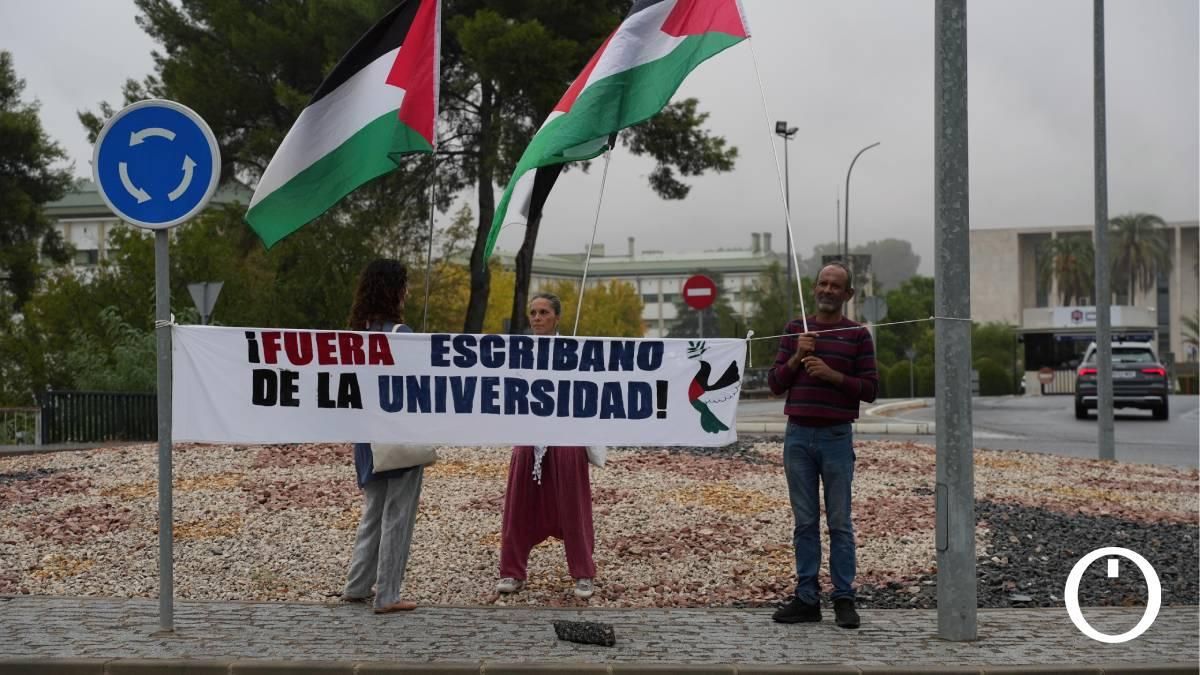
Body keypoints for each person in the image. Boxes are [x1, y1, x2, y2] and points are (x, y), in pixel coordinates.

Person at [767, 261, 878, 629]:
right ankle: (807, 598)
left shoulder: (857, 335)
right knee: (805, 523)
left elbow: (870, 389)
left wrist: (832, 376)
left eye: (836, 286)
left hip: (836, 437)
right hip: (798, 436)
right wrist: (798, 355)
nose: (828, 290)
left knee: (840, 523)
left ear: (848, 294)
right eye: (823, 283)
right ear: (814, 288)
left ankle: (844, 598)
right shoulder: (795, 329)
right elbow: (775, 383)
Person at [496, 292, 598, 599]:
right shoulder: (517, 352)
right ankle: (512, 571)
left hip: (566, 433)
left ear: (557, 317)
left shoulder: (574, 352)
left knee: (573, 504)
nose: (537, 318)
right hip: (529, 433)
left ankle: (583, 572)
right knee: (518, 503)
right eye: (533, 312)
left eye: (544, 312)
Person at [341, 259, 425, 614]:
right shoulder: (400, 334)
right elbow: (417, 385)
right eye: (405, 284)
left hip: (365, 435)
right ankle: (388, 595)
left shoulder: (354, 335)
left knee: (373, 512)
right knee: (398, 514)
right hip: (399, 437)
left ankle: (357, 585)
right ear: (395, 290)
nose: (408, 291)